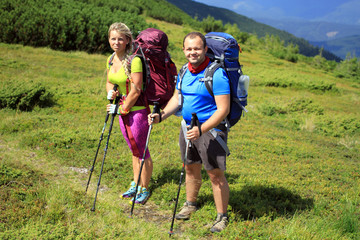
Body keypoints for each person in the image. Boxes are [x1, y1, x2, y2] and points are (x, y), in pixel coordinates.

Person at [149, 32, 231, 233]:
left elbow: (223, 109)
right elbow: (177, 98)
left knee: (215, 174)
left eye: (197, 48)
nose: (192, 52)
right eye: (189, 49)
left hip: (210, 131)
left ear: (205, 49)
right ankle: (190, 204)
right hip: (187, 127)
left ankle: (222, 217)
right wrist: (162, 115)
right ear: (183, 50)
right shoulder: (185, 71)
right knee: (190, 167)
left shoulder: (216, 74)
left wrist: (201, 129)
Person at [106, 22, 152, 205]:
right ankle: (136, 182)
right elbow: (111, 81)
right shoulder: (110, 59)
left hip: (138, 111)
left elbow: (136, 89)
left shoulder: (135, 60)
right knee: (134, 149)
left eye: (120, 39)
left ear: (127, 40)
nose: (116, 42)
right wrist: (111, 93)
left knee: (142, 151)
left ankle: (144, 188)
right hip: (122, 110)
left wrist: (122, 108)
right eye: (113, 38)